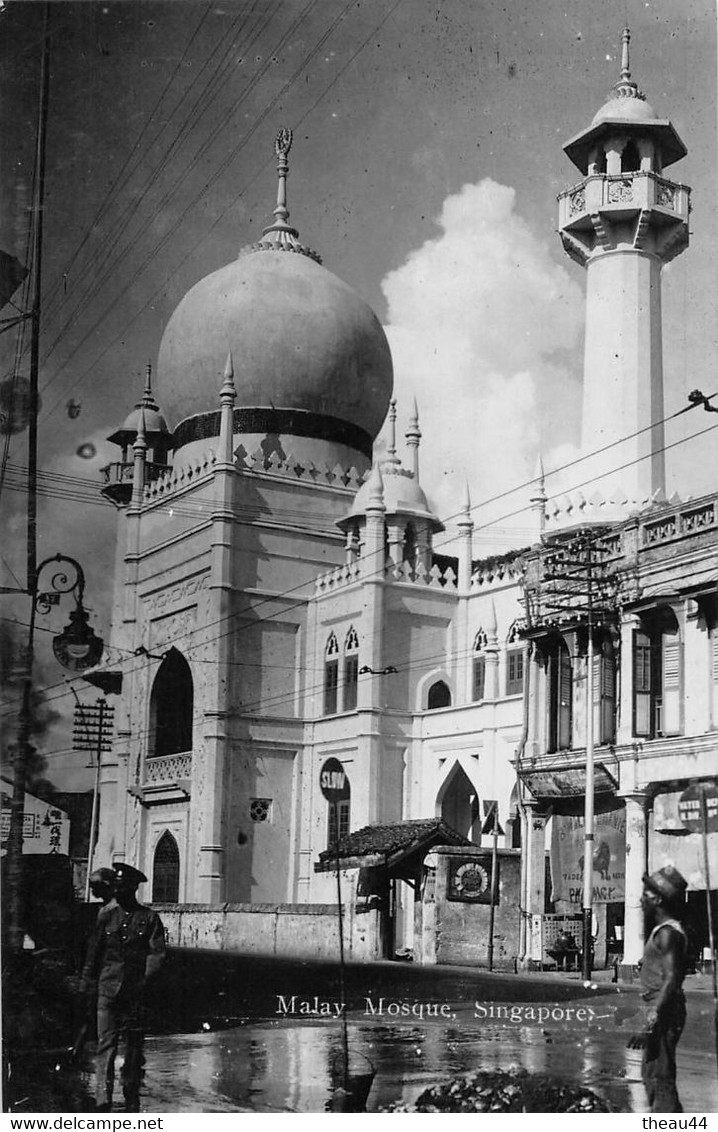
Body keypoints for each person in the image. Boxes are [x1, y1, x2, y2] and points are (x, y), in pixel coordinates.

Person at [81, 863, 166, 1112]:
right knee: (105, 1045)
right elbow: (94, 953)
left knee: (134, 1049)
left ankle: (131, 1095)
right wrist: (86, 984)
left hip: (135, 994)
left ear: (133, 889)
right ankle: (103, 1099)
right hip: (108, 990)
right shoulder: (106, 915)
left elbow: (157, 954)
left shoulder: (149, 918)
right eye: (116, 887)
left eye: (122, 888)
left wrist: (143, 981)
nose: (118, 892)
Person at [628, 864, 688, 1113]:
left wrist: (651, 1022)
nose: (642, 899)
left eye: (646, 894)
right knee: (653, 1072)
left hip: (663, 1011)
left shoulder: (667, 934)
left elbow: (672, 979)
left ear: (659, 899)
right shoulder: (662, 932)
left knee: (660, 1077)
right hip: (658, 1009)